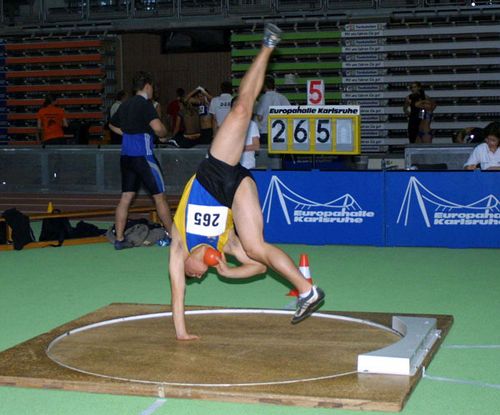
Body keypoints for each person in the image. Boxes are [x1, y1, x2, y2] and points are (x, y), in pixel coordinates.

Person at [168, 24, 325, 341]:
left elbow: (177, 297)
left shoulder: (179, 244)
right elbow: (259, 267)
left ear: (186, 264)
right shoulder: (226, 245)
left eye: (193, 275)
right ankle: (308, 290)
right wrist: (230, 272)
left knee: (241, 109)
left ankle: (268, 45)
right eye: (199, 277)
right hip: (237, 187)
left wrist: (179, 330)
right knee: (255, 247)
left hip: (214, 172)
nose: (198, 276)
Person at [109, 71, 173, 250]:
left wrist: (127, 133)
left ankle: (120, 239)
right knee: (160, 198)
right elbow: (159, 128)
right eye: (152, 87)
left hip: (126, 157)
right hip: (143, 157)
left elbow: (112, 124)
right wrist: (163, 134)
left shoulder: (125, 104)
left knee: (126, 197)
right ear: (147, 86)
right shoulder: (145, 104)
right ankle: (174, 236)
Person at [254, 75, 290, 145]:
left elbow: (259, 117)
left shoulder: (263, 98)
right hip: (281, 131)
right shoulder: (282, 97)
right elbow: (290, 113)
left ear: (264, 86)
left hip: (266, 131)